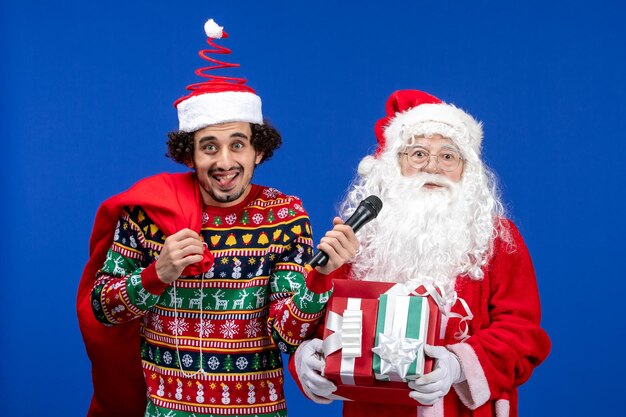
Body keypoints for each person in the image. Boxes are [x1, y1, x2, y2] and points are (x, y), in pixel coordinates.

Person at [76, 19, 358, 417]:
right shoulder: (149, 213)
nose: (224, 161)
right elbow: (103, 308)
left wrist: (322, 275)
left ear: (257, 151)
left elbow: (288, 332)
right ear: (188, 155)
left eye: (237, 144)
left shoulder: (284, 215)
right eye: (209, 147)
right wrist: (157, 273)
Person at [290, 89, 551, 417]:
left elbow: (522, 332)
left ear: (466, 169)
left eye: (447, 156)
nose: (433, 167)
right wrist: (310, 359)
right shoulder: (360, 236)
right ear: (395, 164)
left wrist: (458, 365)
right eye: (418, 154)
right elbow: (318, 323)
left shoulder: (497, 238)